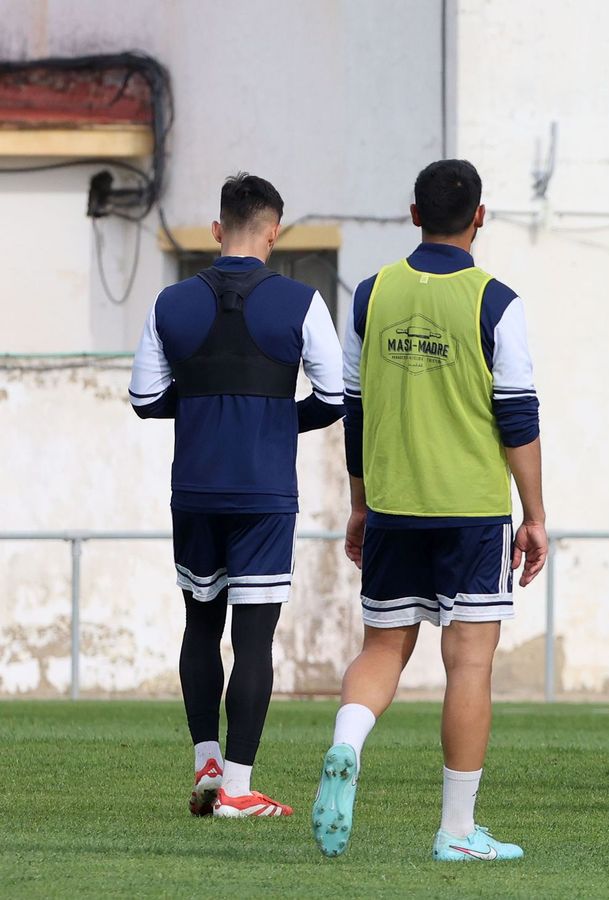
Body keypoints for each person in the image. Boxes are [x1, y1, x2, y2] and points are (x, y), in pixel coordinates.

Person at [311, 159, 546, 862]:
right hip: (471, 510)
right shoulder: (497, 301)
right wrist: (533, 514)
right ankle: (455, 832)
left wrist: (359, 500)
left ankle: (347, 745)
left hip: (391, 505)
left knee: (383, 648)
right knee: (468, 664)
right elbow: (518, 415)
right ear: (481, 216)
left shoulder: (371, 294)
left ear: (413, 213)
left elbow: (353, 406)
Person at [129, 173, 343, 818]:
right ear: (273, 233)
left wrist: (200, 410)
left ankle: (206, 763)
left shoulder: (170, 301)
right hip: (263, 494)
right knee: (253, 641)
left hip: (193, 490)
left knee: (199, 626)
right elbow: (333, 399)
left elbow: (143, 400)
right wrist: (273, 418)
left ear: (217, 230)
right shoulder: (303, 302)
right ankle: (239, 789)